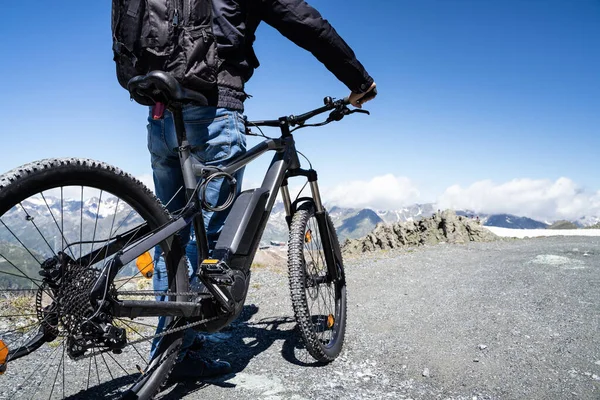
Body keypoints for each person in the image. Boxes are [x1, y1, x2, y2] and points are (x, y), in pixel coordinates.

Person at [146, 0, 377, 381]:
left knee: (170, 232)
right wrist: (359, 81)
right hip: (212, 108)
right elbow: (305, 22)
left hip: (159, 112)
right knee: (206, 243)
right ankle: (173, 352)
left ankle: (176, 343)